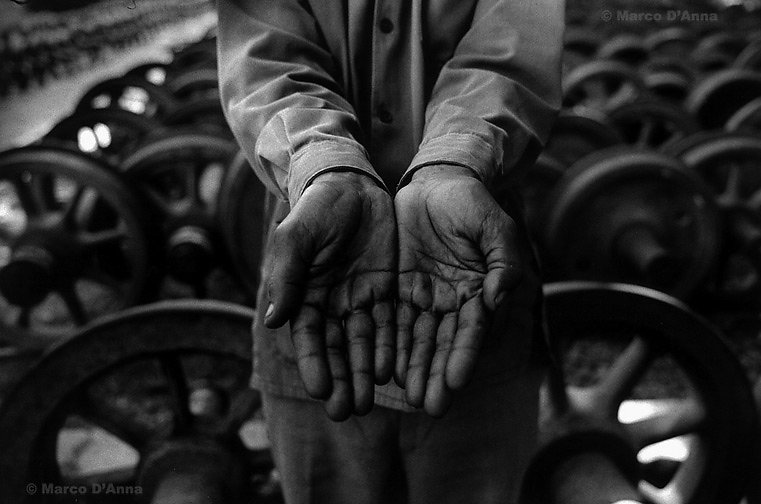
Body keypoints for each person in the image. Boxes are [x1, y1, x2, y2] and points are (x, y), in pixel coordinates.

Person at [217, 1, 563, 502]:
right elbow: (265, 59)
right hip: (320, 291)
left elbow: (510, 56)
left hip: (476, 298)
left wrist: (456, 161)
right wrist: (324, 164)